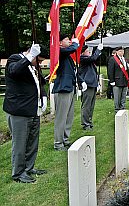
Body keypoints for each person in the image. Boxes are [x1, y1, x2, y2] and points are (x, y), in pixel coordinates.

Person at [3, 43, 48, 183]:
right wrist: (30, 57)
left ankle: (29, 167)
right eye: (38, 60)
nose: (39, 63)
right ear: (31, 53)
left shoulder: (32, 66)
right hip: (19, 110)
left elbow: (38, 83)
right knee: (20, 144)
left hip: (33, 109)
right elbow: (14, 72)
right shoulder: (15, 59)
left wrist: (44, 96)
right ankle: (18, 173)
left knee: (32, 142)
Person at [53, 33, 86, 151]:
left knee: (69, 116)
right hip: (62, 88)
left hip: (70, 87)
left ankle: (65, 139)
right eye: (67, 40)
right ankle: (58, 142)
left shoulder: (67, 56)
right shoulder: (59, 51)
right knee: (61, 117)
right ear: (60, 43)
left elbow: (74, 71)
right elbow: (72, 49)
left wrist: (80, 81)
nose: (69, 42)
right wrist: (76, 43)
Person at [79, 43, 103, 130]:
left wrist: (97, 83)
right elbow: (93, 58)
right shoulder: (82, 59)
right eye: (87, 51)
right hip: (87, 84)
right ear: (82, 53)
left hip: (92, 84)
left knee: (91, 105)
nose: (89, 52)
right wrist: (98, 50)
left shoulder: (88, 60)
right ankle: (85, 123)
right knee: (86, 105)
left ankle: (89, 121)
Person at [108, 46, 129, 112]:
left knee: (123, 96)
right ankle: (117, 110)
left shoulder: (124, 59)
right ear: (117, 52)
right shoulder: (113, 59)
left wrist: (128, 77)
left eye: (122, 51)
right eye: (120, 51)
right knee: (117, 97)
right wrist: (112, 81)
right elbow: (110, 71)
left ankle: (122, 108)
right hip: (117, 81)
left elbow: (127, 70)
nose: (122, 52)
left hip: (124, 81)